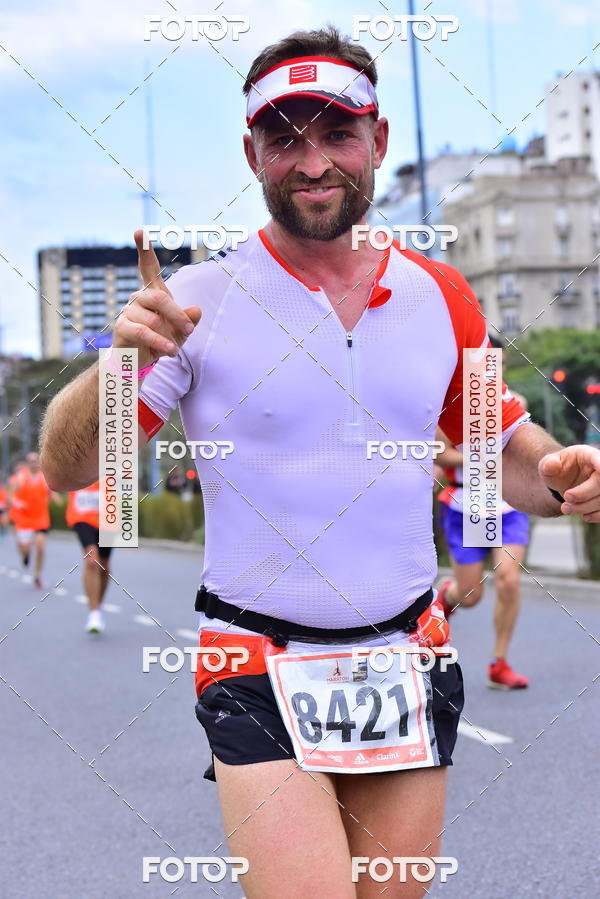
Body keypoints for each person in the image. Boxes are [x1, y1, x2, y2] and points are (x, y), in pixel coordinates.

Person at [40, 27, 600, 898]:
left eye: (336, 132)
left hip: (408, 656)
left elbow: (500, 454)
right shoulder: (191, 303)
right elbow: (75, 468)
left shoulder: (442, 296)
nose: (311, 163)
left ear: (377, 142)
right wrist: (119, 366)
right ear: (251, 152)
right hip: (256, 662)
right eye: (283, 137)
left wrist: (565, 473)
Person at [436, 335, 531, 689]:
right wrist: (479, 456)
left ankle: (499, 662)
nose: (494, 372)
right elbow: (439, 453)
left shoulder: (515, 404)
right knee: (471, 596)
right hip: (465, 506)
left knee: (509, 578)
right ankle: (446, 597)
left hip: (507, 505)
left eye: (500, 365)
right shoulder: (450, 407)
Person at [65, 481, 112, 633]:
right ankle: (94, 614)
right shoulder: (76, 457)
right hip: (82, 517)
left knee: (104, 566)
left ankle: (97, 604)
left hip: (108, 517)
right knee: (92, 560)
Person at [7, 452, 59, 588]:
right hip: (24, 519)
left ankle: (37, 575)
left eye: (37, 460)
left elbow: (51, 492)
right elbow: (10, 496)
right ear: (27, 463)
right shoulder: (20, 478)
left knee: (41, 545)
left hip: (41, 518)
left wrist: (56, 499)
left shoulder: (45, 477)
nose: (35, 463)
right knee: (25, 548)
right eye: (32, 461)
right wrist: (19, 504)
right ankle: (26, 554)